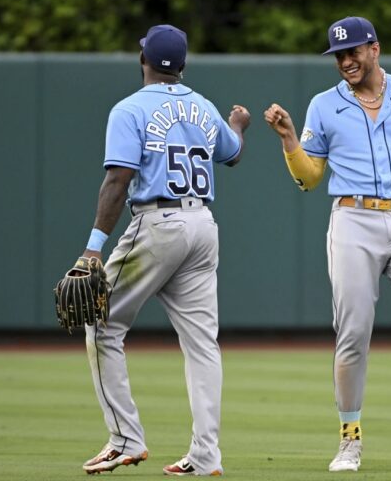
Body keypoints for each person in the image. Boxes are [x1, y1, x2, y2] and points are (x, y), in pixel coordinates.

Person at [264, 16, 391, 472]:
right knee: (354, 331)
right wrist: (288, 141)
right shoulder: (323, 105)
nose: (345, 61)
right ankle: (349, 438)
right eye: (339, 54)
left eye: (353, 51)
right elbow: (310, 179)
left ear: (374, 49)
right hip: (352, 220)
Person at [77, 24, 250, 476]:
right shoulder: (204, 107)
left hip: (158, 222)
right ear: (184, 66)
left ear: (143, 61)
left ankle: (125, 439)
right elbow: (232, 154)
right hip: (203, 227)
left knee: (100, 323)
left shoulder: (129, 109)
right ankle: (207, 455)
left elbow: (117, 179)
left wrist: (94, 248)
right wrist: (237, 124)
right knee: (202, 346)